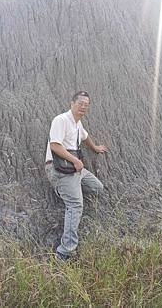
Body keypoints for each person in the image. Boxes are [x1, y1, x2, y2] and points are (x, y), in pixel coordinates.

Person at [45, 91, 108, 260]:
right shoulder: (61, 120)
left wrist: (95, 148)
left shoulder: (77, 124)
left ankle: (68, 189)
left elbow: (85, 138)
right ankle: (64, 251)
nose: (83, 107)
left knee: (97, 188)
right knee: (75, 205)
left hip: (73, 169)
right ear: (71, 103)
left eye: (86, 105)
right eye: (80, 103)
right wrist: (76, 160)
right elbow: (55, 146)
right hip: (58, 169)